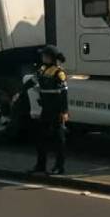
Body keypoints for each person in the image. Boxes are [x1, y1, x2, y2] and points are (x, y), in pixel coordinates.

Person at [26, 45, 69, 175]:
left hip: (56, 110)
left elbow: (63, 93)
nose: (42, 57)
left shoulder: (59, 73)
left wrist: (64, 111)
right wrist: (19, 92)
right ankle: (40, 165)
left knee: (58, 139)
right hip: (46, 109)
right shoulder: (42, 70)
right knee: (40, 137)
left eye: (44, 55)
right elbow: (31, 82)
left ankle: (59, 167)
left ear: (51, 57)